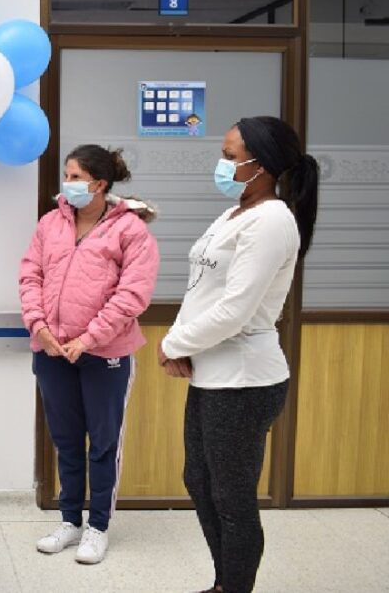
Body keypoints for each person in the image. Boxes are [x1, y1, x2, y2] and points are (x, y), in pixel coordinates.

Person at [158, 116, 319, 593]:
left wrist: (173, 344)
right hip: (213, 373)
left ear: (262, 165)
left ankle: (232, 588)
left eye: (230, 157)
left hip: (245, 380)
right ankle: (225, 583)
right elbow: (203, 290)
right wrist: (183, 340)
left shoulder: (272, 219)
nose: (221, 165)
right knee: (199, 480)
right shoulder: (235, 214)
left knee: (232, 498)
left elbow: (235, 309)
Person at [19, 144, 160, 565]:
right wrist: (39, 326)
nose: (69, 184)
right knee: (64, 441)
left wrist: (90, 338)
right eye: (67, 175)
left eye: (76, 177)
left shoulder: (131, 231)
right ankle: (69, 521)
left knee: (102, 443)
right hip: (52, 351)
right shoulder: (50, 223)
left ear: (100, 184)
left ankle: (97, 526)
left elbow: (132, 295)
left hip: (105, 355)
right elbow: (30, 274)